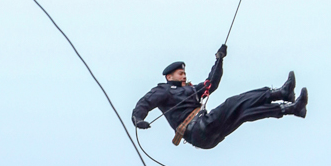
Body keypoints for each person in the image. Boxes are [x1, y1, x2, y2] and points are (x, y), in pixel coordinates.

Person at [131, 45, 308, 149]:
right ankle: (280, 93)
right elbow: (145, 102)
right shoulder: (164, 91)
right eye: (180, 73)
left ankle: (290, 108)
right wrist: (138, 118)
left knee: (243, 113)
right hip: (197, 129)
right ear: (169, 77)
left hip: (207, 136)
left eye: (184, 73)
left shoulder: (191, 91)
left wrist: (219, 59)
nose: (184, 76)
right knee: (234, 103)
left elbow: (211, 84)